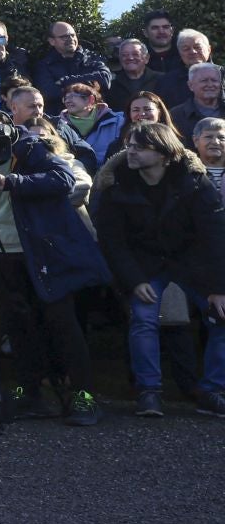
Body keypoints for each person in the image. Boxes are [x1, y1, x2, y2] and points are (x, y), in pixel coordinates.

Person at [0, 120, 109, 426]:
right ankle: (30, 391)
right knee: (18, 326)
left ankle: (85, 396)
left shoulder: (29, 149)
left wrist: (12, 181)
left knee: (61, 322)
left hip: (41, 252)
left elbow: (63, 179)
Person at [94, 121, 225, 418]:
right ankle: (148, 391)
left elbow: (215, 235)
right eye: (130, 145)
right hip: (144, 263)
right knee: (142, 318)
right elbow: (112, 240)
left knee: (222, 316)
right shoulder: (116, 183)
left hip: (192, 262)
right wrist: (134, 280)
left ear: (164, 154)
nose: (132, 152)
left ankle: (212, 390)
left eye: (140, 147)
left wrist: (219, 288)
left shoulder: (194, 180)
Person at [31, 22, 112, 114]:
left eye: (73, 35)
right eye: (64, 36)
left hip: (97, 119)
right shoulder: (44, 66)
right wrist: (89, 85)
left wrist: (64, 81)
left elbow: (105, 79)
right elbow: (48, 93)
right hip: (61, 122)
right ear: (52, 41)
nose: (71, 39)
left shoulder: (92, 57)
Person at [58, 83, 125, 165]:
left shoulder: (116, 122)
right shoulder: (60, 126)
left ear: (91, 99)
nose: (67, 101)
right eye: (65, 98)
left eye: (72, 96)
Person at [169, 62, 224, 145]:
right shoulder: (176, 115)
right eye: (204, 81)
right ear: (190, 85)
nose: (210, 84)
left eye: (214, 80)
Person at [154, 28, 212, 103]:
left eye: (197, 47)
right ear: (179, 53)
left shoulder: (222, 75)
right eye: (186, 49)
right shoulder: (166, 82)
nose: (193, 51)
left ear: (209, 49)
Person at [105, 39, 159, 115]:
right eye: (125, 55)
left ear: (146, 58)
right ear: (120, 59)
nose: (130, 58)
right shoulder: (111, 85)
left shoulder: (162, 80)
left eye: (136, 54)